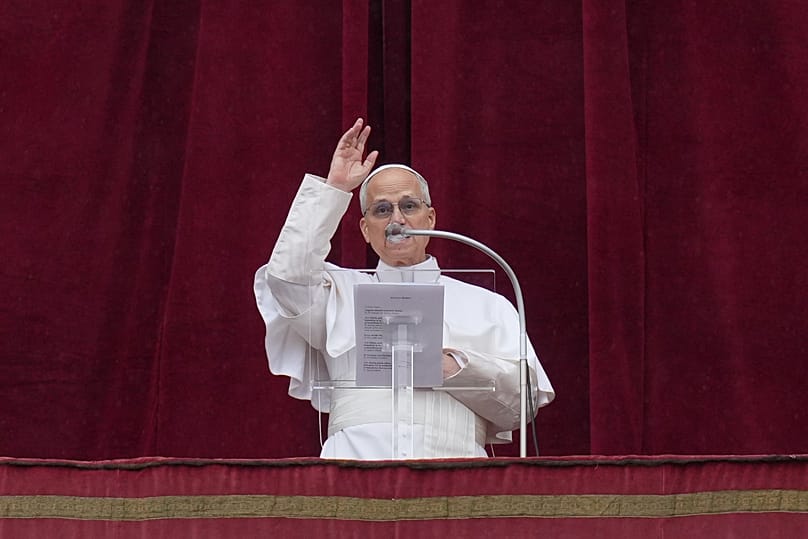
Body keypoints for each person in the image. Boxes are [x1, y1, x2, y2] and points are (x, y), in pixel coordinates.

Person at [254, 118, 554, 459]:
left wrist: (451, 366)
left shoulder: (487, 304)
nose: (397, 219)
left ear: (430, 219)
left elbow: (524, 400)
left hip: (455, 472)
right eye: (383, 210)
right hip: (354, 466)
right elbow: (286, 276)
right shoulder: (337, 292)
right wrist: (335, 189)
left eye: (409, 206)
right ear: (366, 230)